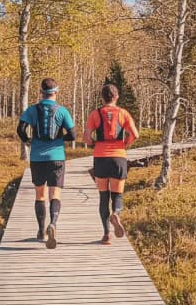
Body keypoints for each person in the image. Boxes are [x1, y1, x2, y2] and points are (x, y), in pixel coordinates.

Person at [16, 78, 76, 248]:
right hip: (57, 157)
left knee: (40, 195)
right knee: (55, 194)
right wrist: (60, 139)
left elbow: (20, 129)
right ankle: (53, 224)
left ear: (41, 92)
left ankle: (41, 231)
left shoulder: (32, 110)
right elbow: (73, 135)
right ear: (56, 92)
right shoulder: (62, 111)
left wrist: (27, 140)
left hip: (37, 158)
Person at [83, 82, 140, 245]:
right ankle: (116, 213)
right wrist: (125, 143)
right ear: (116, 97)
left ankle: (107, 234)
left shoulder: (95, 114)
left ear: (102, 98)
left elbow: (86, 137)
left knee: (103, 197)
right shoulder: (123, 113)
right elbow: (135, 134)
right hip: (118, 157)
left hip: (101, 157)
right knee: (117, 195)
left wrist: (94, 143)